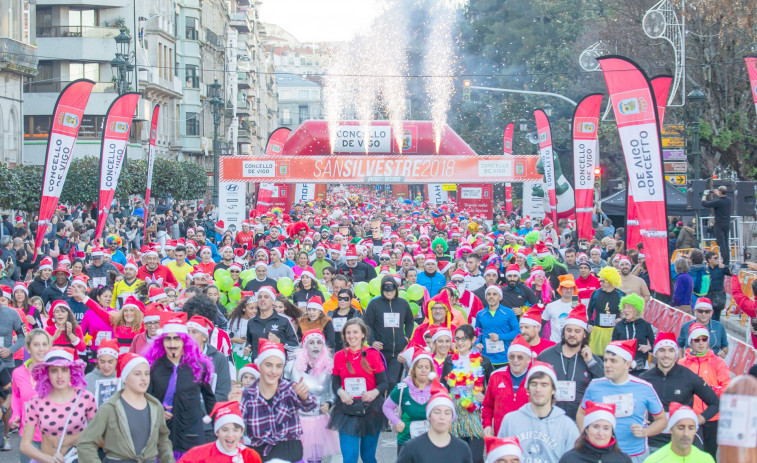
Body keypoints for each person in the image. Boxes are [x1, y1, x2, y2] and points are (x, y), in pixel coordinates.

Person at [578, 340, 667, 462]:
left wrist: (646, 431)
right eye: (606, 360)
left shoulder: (644, 388)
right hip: (602, 454)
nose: (607, 365)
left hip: (635, 454)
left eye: (613, 361)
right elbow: (581, 414)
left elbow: (662, 420)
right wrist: (587, 437)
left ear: (627, 364)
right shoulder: (595, 386)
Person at [78, 352, 176, 463]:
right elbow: (86, 443)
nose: (144, 378)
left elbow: (163, 440)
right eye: (137, 374)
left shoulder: (155, 406)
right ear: (125, 378)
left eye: (147, 373)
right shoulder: (110, 407)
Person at [145, 312, 216, 460]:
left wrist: (219, 426)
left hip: (192, 436)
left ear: (184, 341)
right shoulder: (153, 368)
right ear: (162, 342)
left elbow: (210, 400)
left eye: (177, 339)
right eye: (168, 339)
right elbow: (145, 399)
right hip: (161, 438)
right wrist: (157, 410)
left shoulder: (199, 366)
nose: (172, 344)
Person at [640, 332, 720, 453]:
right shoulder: (644, 379)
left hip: (681, 443)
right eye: (662, 350)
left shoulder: (688, 377)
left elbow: (715, 403)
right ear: (655, 352)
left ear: (676, 354)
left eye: (671, 351)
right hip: (652, 443)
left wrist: (696, 420)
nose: (666, 355)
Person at [241, 339, 318, 462]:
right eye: (268, 365)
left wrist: (304, 396)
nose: (273, 371)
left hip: (290, 452)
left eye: (278, 366)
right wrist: (232, 406)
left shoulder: (290, 389)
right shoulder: (248, 395)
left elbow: (312, 405)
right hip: (261, 454)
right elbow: (236, 423)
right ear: (259, 366)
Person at [19, 346, 97, 463]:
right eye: (54, 370)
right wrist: (49, 459)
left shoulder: (86, 398)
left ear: (71, 372)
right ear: (47, 373)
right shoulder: (36, 402)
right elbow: (25, 445)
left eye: (64, 370)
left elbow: (99, 435)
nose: (59, 376)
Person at [328, 318, 387, 463]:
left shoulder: (373, 354)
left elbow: (383, 383)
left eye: (355, 332)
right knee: (349, 457)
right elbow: (335, 382)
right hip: (347, 409)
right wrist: (341, 392)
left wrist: (374, 393)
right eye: (348, 332)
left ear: (363, 334)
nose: (351, 336)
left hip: (370, 408)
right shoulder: (339, 356)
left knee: (368, 457)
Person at [498, 361, 580, 463]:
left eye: (544, 385)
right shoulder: (510, 421)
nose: (538, 389)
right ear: (528, 388)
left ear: (553, 389)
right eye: (533, 384)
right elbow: (499, 457)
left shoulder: (567, 426)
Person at [537, 304, 604, 420]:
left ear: (584, 334)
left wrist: (591, 363)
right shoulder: (546, 356)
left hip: (581, 421)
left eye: (577, 331)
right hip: (550, 419)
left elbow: (605, 385)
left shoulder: (593, 360)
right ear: (564, 332)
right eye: (569, 330)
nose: (572, 334)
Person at [283, 329, 340, 463]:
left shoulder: (328, 368)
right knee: (296, 459)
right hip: (295, 420)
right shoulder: (291, 367)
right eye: (311, 343)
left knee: (315, 459)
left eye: (319, 342)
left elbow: (333, 394)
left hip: (317, 420)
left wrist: (329, 403)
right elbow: (282, 391)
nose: (315, 346)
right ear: (305, 346)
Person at [441, 324, 493, 463]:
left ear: (473, 339)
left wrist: (484, 396)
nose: (460, 342)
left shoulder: (484, 362)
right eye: (457, 339)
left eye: (464, 339)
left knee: (475, 458)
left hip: (475, 414)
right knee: (457, 457)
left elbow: (492, 389)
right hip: (455, 412)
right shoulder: (449, 361)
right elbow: (443, 387)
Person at [677, 322, 730, 459]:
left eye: (704, 339)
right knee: (691, 456)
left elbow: (727, 388)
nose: (701, 343)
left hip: (713, 417)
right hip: (691, 418)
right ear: (691, 342)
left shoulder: (718, 362)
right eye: (697, 340)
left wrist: (706, 390)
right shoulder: (682, 364)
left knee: (710, 456)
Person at [396, 380, 474, 463]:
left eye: (447, 413)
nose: (442, 417)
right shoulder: (411, 448)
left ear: (452, 417)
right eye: (437, 412)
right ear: (429, 415)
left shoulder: (462, 448)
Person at [363, 275, 414, 395]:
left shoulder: (403, 303)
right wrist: (372, 341)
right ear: (382, 289)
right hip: (380, 352)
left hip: (397, 351)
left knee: (392, 382)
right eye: (386, 288)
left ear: (396, 289)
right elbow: (367, 324)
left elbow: (410, 322)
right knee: (380, 382)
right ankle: (378, 409)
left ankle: (390, 407)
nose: (389, 291)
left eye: (391, 288)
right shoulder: (374, 304)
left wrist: (406, 337)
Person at [9, 329, 51, 462]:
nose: (41, 349)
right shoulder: (18, 373)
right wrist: (15, 416)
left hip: (52, 437)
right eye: (36, 345)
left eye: (44, 344)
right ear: (28, 348)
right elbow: (16, 396)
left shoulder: (57, 371)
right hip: (28, 436)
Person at [383, 346, 434, 454]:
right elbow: (387, 407)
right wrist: (397, 421)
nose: (424, 370)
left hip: (432, 441)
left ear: (431, 369)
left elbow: (451, 412)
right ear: (413, 369)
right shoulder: (403, 388)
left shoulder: (437, 388)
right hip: (406, 441)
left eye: (427, 367)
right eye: (420, 367)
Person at [481, 335, 533, 437]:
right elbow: (487, 405)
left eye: (520, 357)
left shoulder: (535, 378)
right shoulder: (496, 377)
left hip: (528, 436)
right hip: (502, 435)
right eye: (512, 356)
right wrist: (487, 425)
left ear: (528, 359)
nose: (515, 360)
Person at [178, 401, 262, 463]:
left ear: (241, 432)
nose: (230, 435)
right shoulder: (197, 454)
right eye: (224, 430)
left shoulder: (250, 456)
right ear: (216, 432)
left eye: (235, 430)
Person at [560, 401, 632, 462]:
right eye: (596, 427)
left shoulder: (623, 460)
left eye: (606, 428)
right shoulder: (570, 459)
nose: (600, 433)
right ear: (586, 430)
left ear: (612, 432)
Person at [644, 403, 715, 463]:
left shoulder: (706, 459)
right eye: (681, 428)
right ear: (671, 429)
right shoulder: (654, 460)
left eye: (691, 428)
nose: (686, 434)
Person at [244, 286, 299, 358]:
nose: (262, 299)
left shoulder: (284, 320)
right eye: (260, 297)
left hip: (276, 366)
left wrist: (280, 341)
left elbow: (295, 346)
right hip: (257, 365)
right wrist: (248, 349)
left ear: (273, 301)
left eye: (266, 297)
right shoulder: (251, 321)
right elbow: (249, 342)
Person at [187, 315, 232, 402]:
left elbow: (223, 393)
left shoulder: (219, 358)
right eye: (187, 331)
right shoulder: (182, 356)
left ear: (204, 337)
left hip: (211, 410)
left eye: (194, 332)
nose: (190, 335)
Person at [475, 285, 519, 369]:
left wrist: (499, 336)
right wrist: (477, 344)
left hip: (504, 358)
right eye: (489, 294)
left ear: (500, 297)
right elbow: (478, 333)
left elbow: (517, 332)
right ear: (486, 297)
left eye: (494, 294)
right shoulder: (480, 314)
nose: (491, 296)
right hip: (486, 358)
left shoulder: (509, 312)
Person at [611, 293, 655, 373]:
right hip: (622, 367)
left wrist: (649, 347)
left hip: (640, 367)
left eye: (629, 307)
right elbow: (612, 346)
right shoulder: (619, 325)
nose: (625, 310)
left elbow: (655, 344)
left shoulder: (646, 325)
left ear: (636, 309)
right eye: (624, 307)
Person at [587, 266, 624, 357]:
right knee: (596, 357)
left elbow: (627, 312)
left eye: (604, 281)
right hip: (598, 330)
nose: (601, 283)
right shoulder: (595, 294)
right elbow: (590, 310)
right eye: (601, 281)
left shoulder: (620, 295)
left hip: (614, 331)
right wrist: (590, 323)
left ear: (611, 281)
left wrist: (621, 319)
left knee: (612, 356)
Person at [701, 185, 732, 266]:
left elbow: (704, 204)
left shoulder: (718, 202)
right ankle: (727, 261)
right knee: (725, 242)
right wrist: (717, 193)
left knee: (721, 243)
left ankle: (725, 262)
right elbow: (723, 198)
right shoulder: (729, 200)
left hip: (719, 224)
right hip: (727, 224)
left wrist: (705, 195)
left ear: (720, 192)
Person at [84, 338, 119, 405]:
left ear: (116, 361)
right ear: (98, 361)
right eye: (102, 362)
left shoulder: (122, 379)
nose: (106, 366)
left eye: (110, 362)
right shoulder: (88, 378)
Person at [542, 274, 576, 343]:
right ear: (561, 289)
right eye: (565, 288)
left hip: (572, 345)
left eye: (571, 288)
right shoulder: (551, 306)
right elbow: (541, 323)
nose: (568, 290)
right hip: (555, 344)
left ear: (574, 290)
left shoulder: (578, 306)